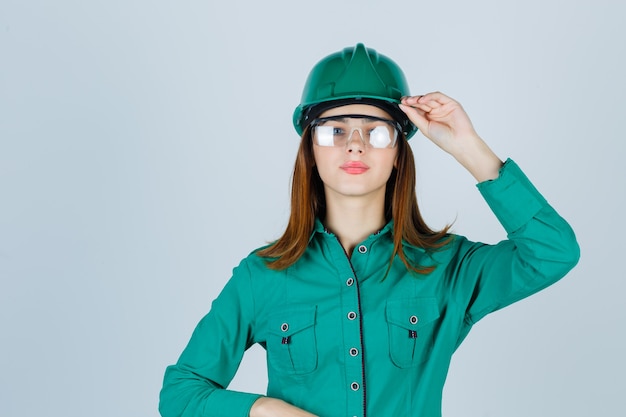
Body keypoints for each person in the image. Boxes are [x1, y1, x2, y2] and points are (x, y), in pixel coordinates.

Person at [159, 43, 580, 417]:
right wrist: (266, 410)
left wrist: (466, 145)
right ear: (310, 151)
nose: (355, 144)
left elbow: (553, 252)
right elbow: (179, 394)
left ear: (399, 152)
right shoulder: (262, 275)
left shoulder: (448, 267)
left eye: (377, 132)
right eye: (335, 130)